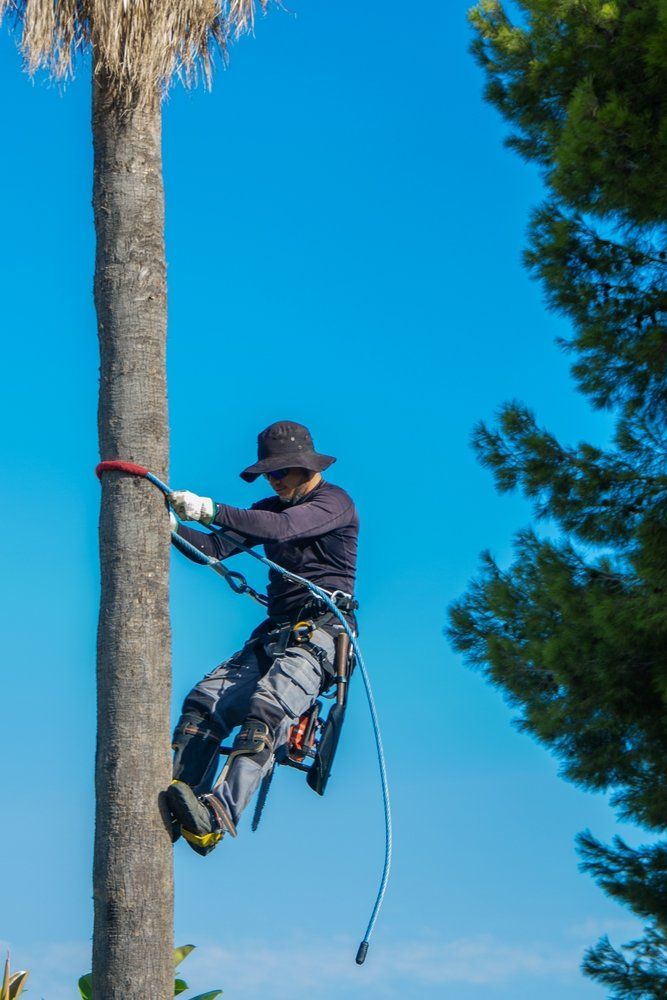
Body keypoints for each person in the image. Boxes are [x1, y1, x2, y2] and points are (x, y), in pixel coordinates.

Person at [165, 420, 359, 855]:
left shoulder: (334, 503)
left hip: (322, 634)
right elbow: (212, 549)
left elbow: (283, 530)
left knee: (266, 710)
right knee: (204, 702)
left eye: (280, 472)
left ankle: (216, 817)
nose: (274, 480)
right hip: (274, 632)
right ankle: (181, 795)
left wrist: (210, 508)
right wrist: (168, 528)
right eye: (269, 474)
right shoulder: (269, 507)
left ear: (305, 467)